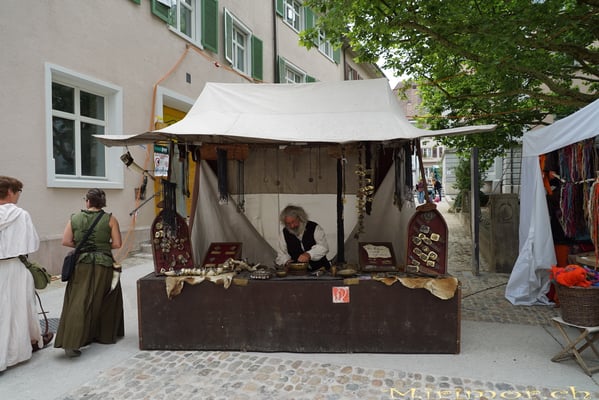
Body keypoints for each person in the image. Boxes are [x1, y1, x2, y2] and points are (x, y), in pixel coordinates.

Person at [54, 188, 124, 357]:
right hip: (103, 263)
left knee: (78, 300)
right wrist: (101, 246)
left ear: (88, 201)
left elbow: (66, 241)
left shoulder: (74, 218)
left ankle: (72, 341)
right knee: (106, 298)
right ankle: (103, 335)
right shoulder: (110, 219)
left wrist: (82, 246)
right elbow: (117, 244)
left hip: (82, 263)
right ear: (102, 203)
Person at [0, 176, 49, 372]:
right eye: (18, 191)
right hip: (14, 267)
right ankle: (19, 348)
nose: (19, 195)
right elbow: (32, 244)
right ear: (10, 192)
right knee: (19, 308)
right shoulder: (21, 215)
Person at [275, 205, 331, 271]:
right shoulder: (284, 233)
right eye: (288, 224)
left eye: (293, 222)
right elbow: (281, 254)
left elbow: (323, 247)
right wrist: (286, 261)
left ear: (300, 218)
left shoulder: (314, 227)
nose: (292, 226)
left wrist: (309, 254)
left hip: (321, 270)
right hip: (297, 273)